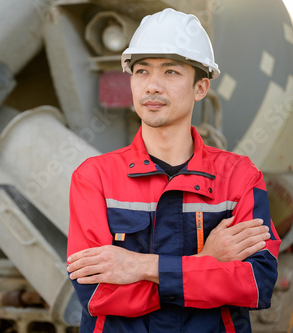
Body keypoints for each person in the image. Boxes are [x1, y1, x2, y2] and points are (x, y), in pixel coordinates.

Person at [66, 8, 281, 333]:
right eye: (141, 72)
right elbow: (97, 294)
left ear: (201, 88)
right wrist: (204, 263)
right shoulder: (94, 178)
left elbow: (256, 284)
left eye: (170, 72)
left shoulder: (239, 178)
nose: (152, 86)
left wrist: (138, 266)